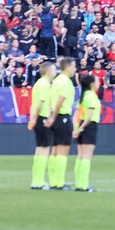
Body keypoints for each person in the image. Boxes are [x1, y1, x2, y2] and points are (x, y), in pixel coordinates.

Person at [47, 58, 77, 190]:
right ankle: (59, 182)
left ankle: (53, 181)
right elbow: (60, 100)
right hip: (62, 116)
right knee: (62, 151)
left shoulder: (57, 80)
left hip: (55, 115)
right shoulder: (66, 81)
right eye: (74, 66)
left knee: (54, 150)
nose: (75, 69)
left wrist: (51, 115)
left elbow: (51, 99)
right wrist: (53, 117)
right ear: (68, 67)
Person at [27, 61, 56, 190]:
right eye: (54, 70)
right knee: (44, 150)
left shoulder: (38, 84)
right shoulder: (44, 85)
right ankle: (39, 181)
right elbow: (39, 104)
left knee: (39, 149)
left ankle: (36, 180)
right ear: (48, 71)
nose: (55, 72)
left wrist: (33, 119)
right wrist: (35, 118)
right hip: (42, 118)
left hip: (38, 118)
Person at [71, 73, 101, 192]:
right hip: (89, 126)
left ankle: (79, 183)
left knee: (80, 156)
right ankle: (84, 185)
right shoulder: (92, 96)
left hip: (81, 125)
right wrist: (82, 128)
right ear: (92, 84)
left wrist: (76, 128)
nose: (99, 83)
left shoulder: (83, 96)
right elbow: (89, 116)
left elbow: (77, 115)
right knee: (87, 156)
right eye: (97, 81)